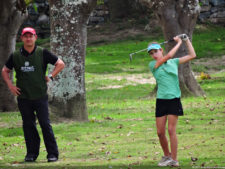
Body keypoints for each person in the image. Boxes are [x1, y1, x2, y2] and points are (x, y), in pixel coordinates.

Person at [1, 27, 65, 162]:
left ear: (35, 37)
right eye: (26, 36)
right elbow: (5, 70)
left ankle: (52, 154)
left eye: (31, 36)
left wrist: (51, 76)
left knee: (45, 124)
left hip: (40, 96)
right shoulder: (16, 55)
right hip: (24, 97)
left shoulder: (43, 53)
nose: (28, 38)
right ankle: (31, 154)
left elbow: (60, 64)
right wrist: (10, 86)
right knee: (28, 125)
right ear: (22, 38)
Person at [148, 35, 196, 167]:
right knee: (160, 132)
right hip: (161, 100)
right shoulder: (153, 65)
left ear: (161, 50)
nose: (154, 55)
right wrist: (179, 42)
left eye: (156, 51)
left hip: (174, 99)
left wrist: (186, 40)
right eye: (151, 53)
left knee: (171, 130)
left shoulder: (174, 62)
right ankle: (167, 156)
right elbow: (168, 56)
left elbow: (192, 55)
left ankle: (174, 160)